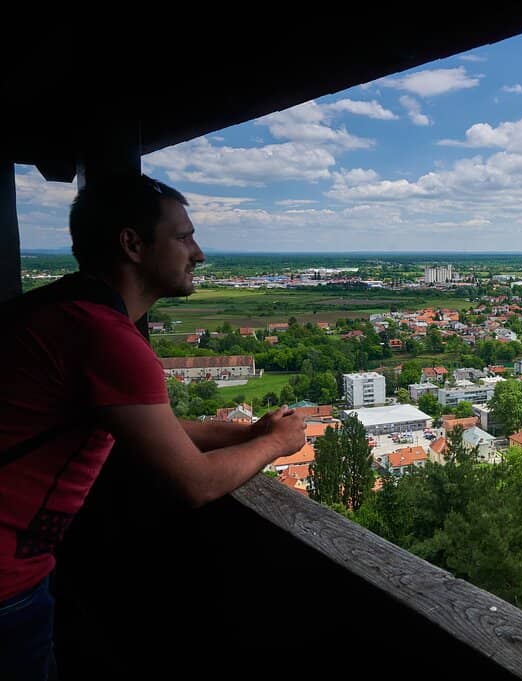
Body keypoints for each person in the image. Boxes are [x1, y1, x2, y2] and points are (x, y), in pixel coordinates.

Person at [0, 173, 307, 680]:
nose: (199, 253)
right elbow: (192, 483)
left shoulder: (59, 310)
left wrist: (246, 433)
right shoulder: (106, 337)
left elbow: (153, 426)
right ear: (133, 244)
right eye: (184, 236)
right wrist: (275, 441)